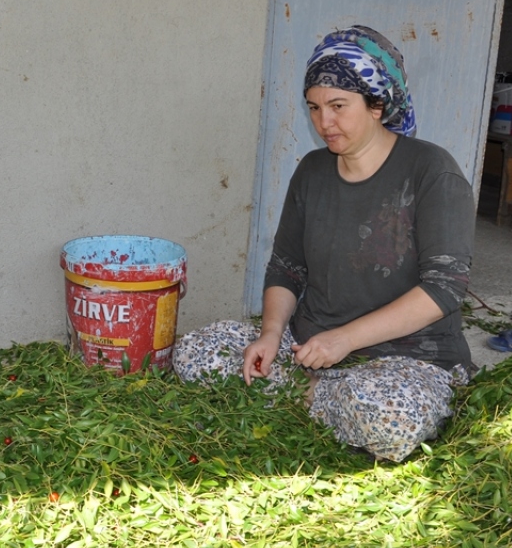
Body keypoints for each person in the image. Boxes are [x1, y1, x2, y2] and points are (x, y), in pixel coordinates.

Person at [174, 26, 476, 463]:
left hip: (407, 358)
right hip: (306, 347)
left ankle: (311, 396)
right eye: (314, 107)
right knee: (195, 354)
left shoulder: (431, 172)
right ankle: (320, 396)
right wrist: (272, 335)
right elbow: (287, 267)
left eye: (338, 106)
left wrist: (345, 340)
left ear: (378, 105)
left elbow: (445, 289)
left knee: (390, 418)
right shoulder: (313, 171)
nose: (323, 122)